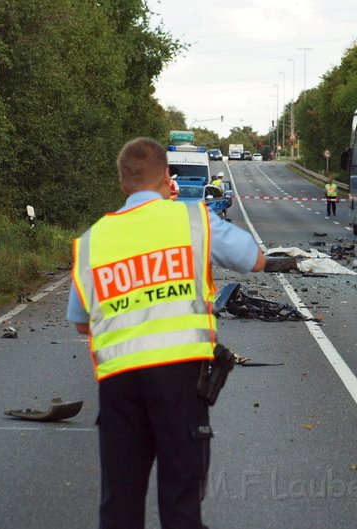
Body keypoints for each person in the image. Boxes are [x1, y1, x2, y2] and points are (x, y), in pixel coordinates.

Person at [67, 137, 266, 529]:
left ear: (123, 184)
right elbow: (254, 260)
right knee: (180, 503)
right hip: (180, 377)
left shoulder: (93, 239)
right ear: (166, 178)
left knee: (120, 504)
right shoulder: (194, 220)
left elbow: (80, 321)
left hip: (119, 382)